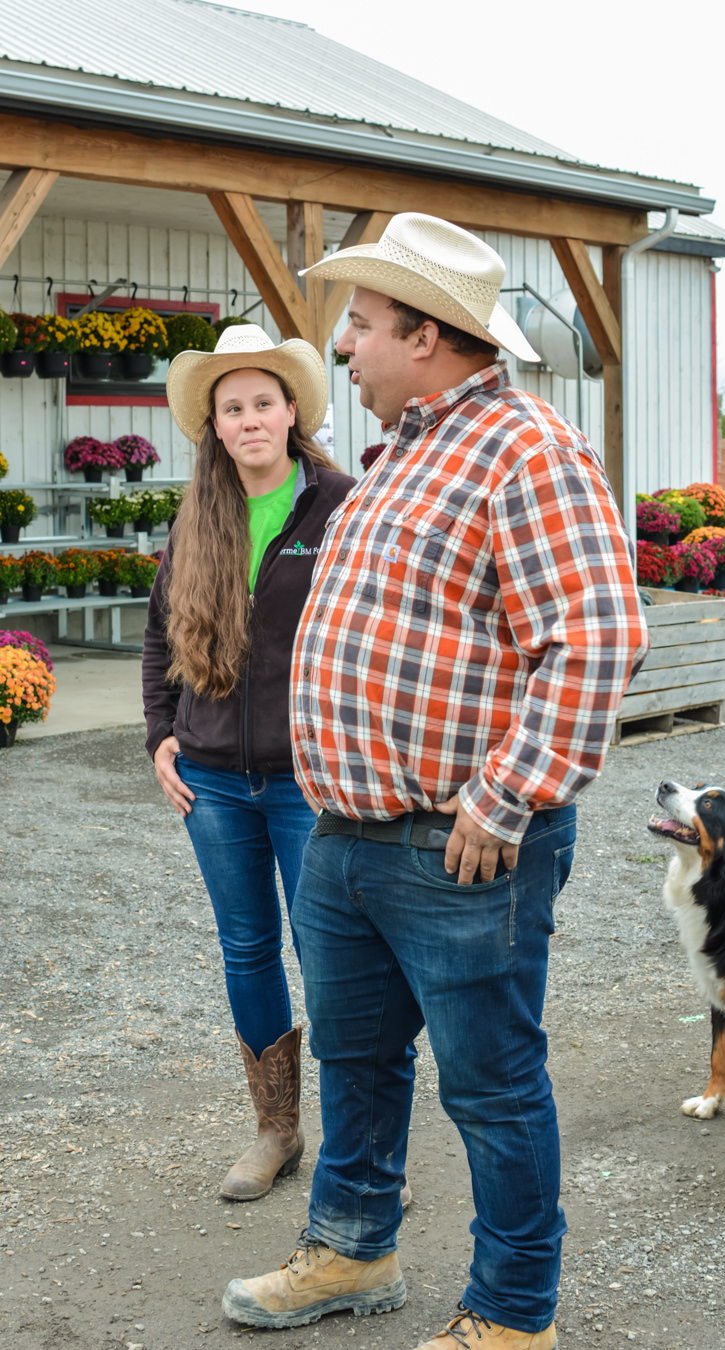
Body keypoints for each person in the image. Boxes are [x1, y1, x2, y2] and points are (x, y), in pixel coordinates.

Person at [221, 214, 649, 1347]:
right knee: (358, 1062)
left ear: (428, 332)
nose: (345, 351)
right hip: (350, 836)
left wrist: (504, 797)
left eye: (360, 326)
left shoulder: (528, 451)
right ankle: (353, 1252)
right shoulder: (406, 449)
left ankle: (514, 1316)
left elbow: (597, 638)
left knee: (493, 1087)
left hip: (458, 843)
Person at [142, 323, 354, 1202]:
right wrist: (159, 731)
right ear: (215, 427)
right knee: (248, 949)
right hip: (216, 781)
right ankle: (276, 1130)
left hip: (309, 779)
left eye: (262, 401)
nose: (249, 419)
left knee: (334, 953)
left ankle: (358, 1148)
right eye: (232, 408)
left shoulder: (342, 503)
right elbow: (159, 636)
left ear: (291, 410)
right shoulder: (200, 514)